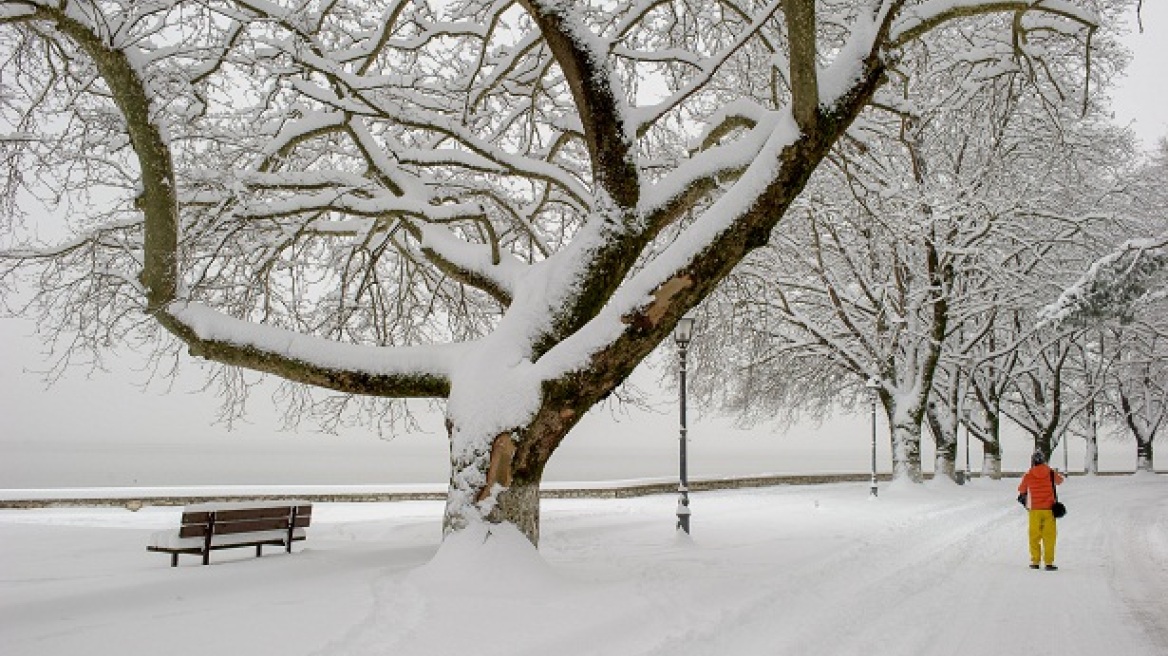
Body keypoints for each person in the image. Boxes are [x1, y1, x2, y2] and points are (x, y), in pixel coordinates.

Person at [1018, 450, 1065, 570]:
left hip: (1034, 510)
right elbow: (1060, 481)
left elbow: (1021, 489)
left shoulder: (1028, 474)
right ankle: (1049, 562)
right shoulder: (1049, 472)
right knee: (1049, 536)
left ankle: (1035, 561)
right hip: (1049, 509)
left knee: (1034, 536)